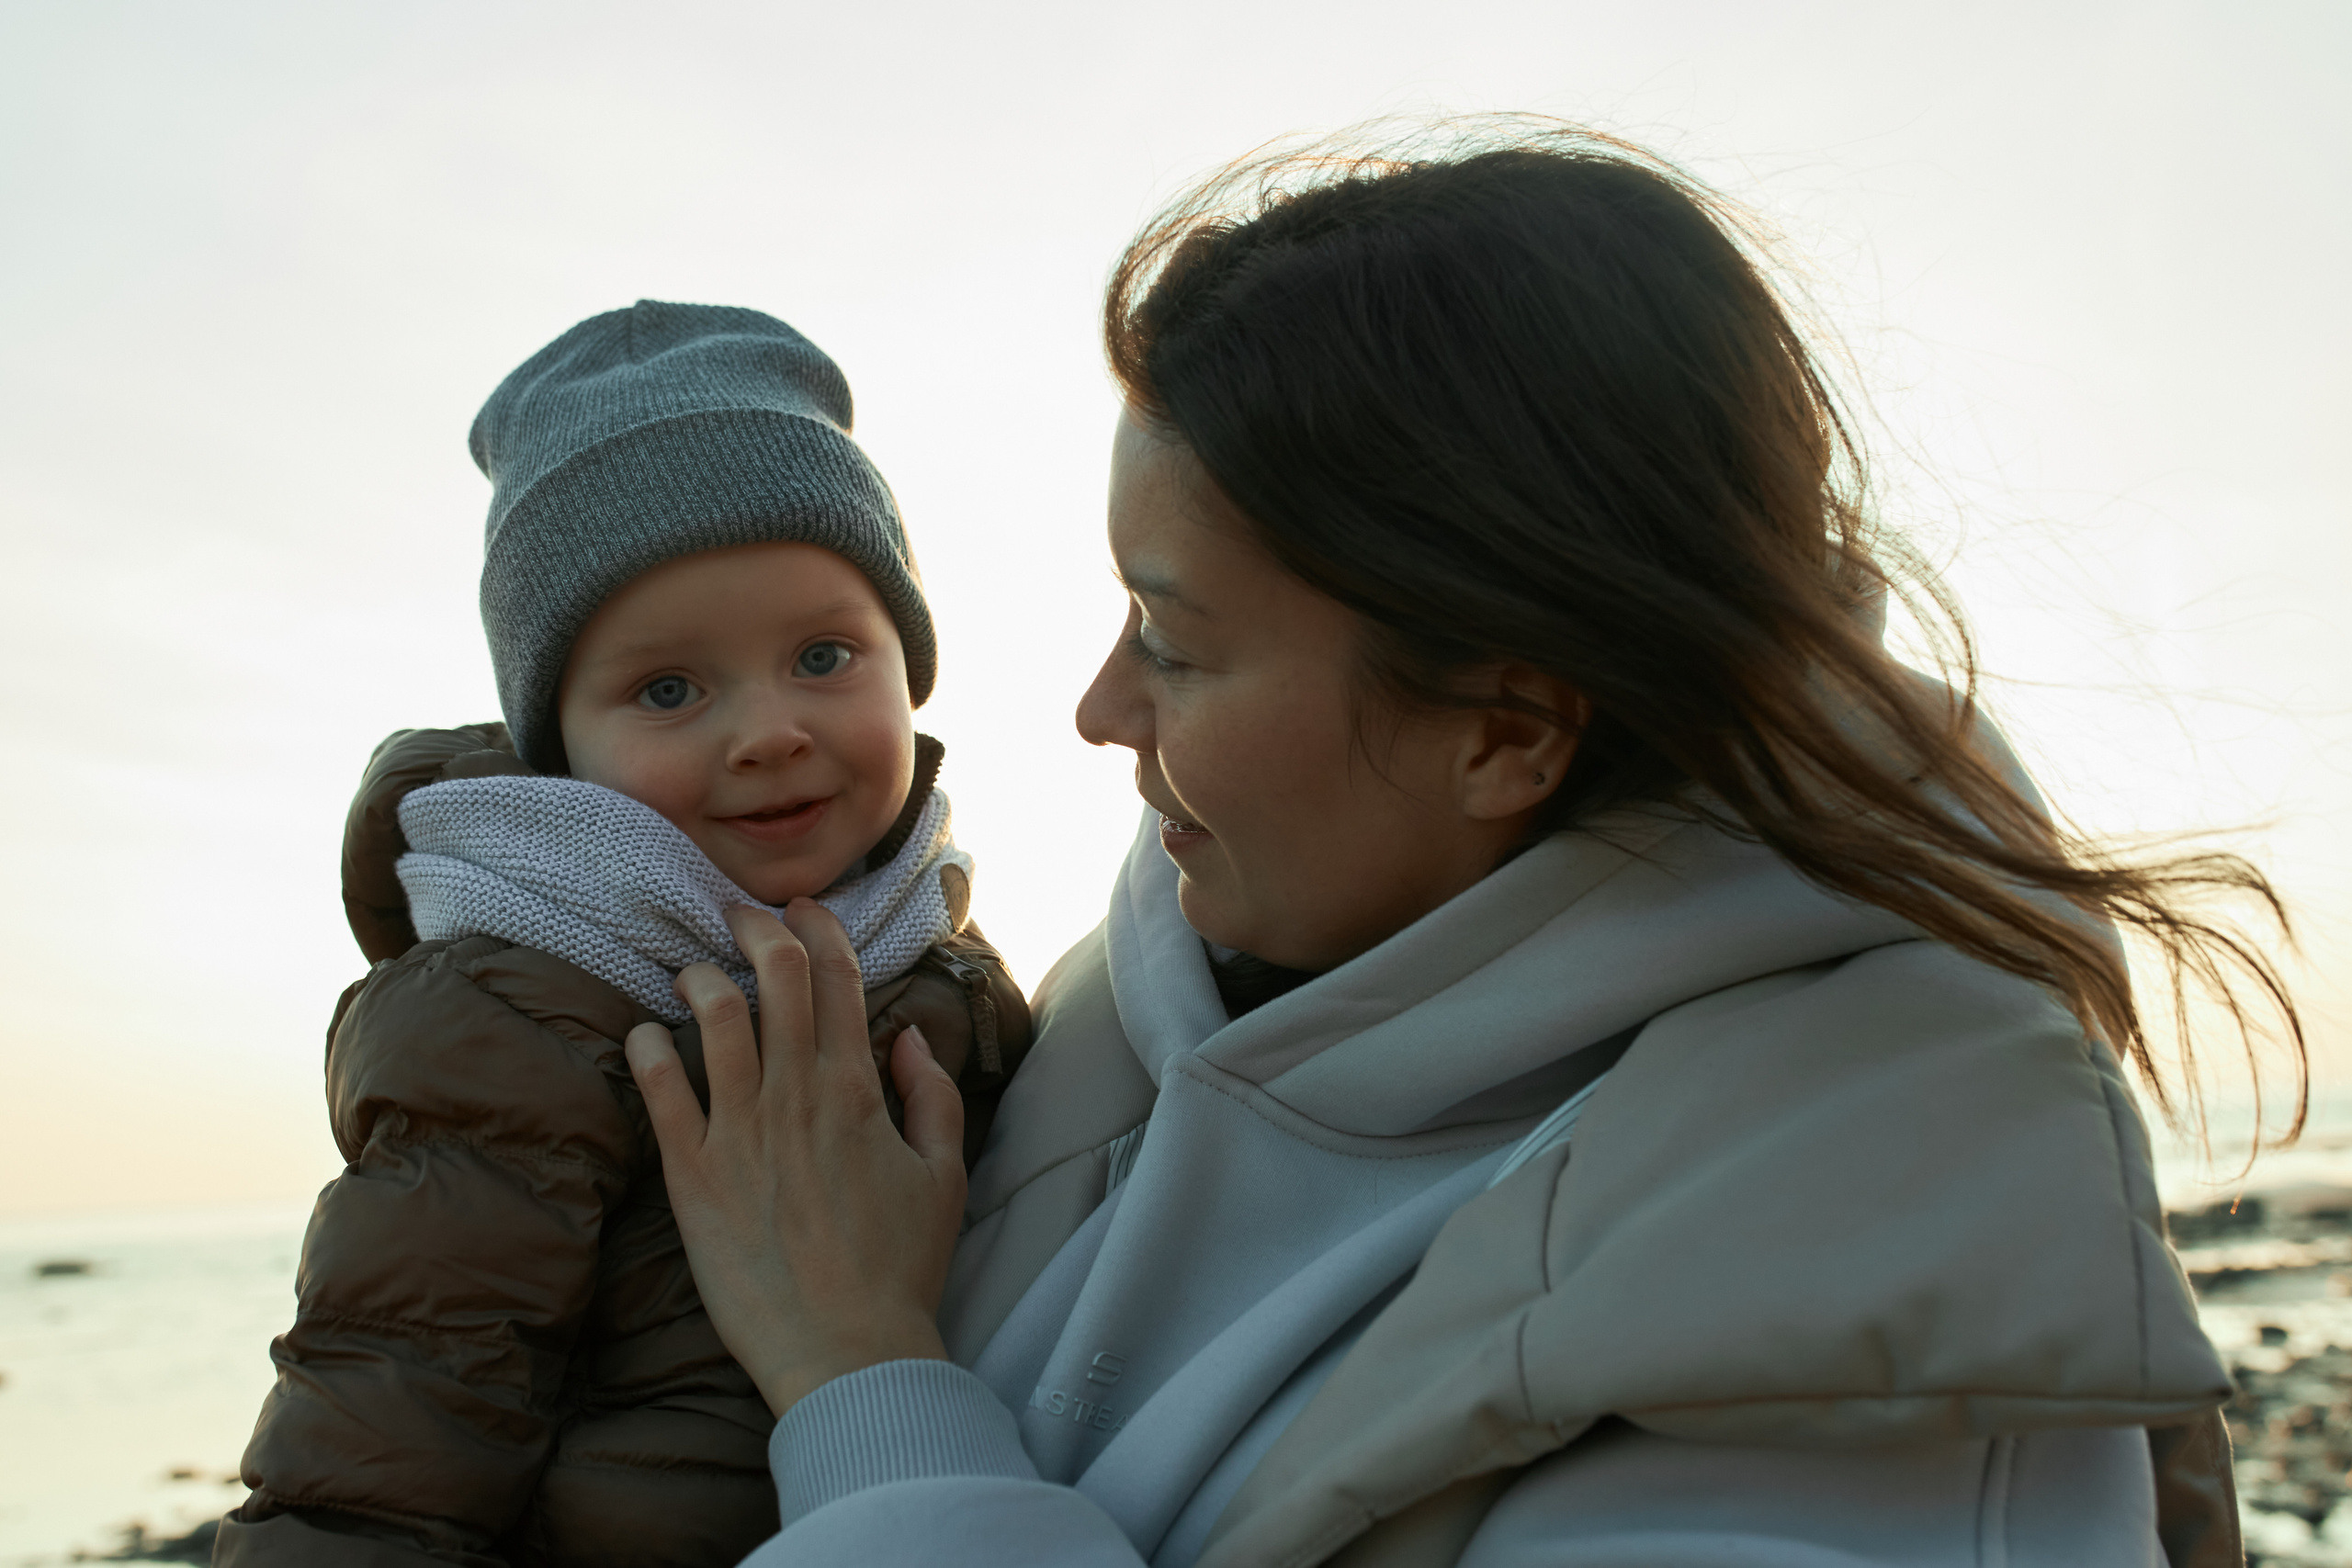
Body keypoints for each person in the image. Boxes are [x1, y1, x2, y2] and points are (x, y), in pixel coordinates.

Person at [625, 127, 2299, 1566]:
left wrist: (858, 1377)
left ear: (1506, 727)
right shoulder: (1132, 997)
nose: (1097, 709)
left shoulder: (1880, 1283)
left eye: (1176, 637)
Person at [216, 301, 1033, 1566]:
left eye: (825, 655)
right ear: (564, 748)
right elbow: (392, 1428)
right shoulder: (521, 1008)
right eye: (668, 689)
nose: (768, 730)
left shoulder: (937, 953)